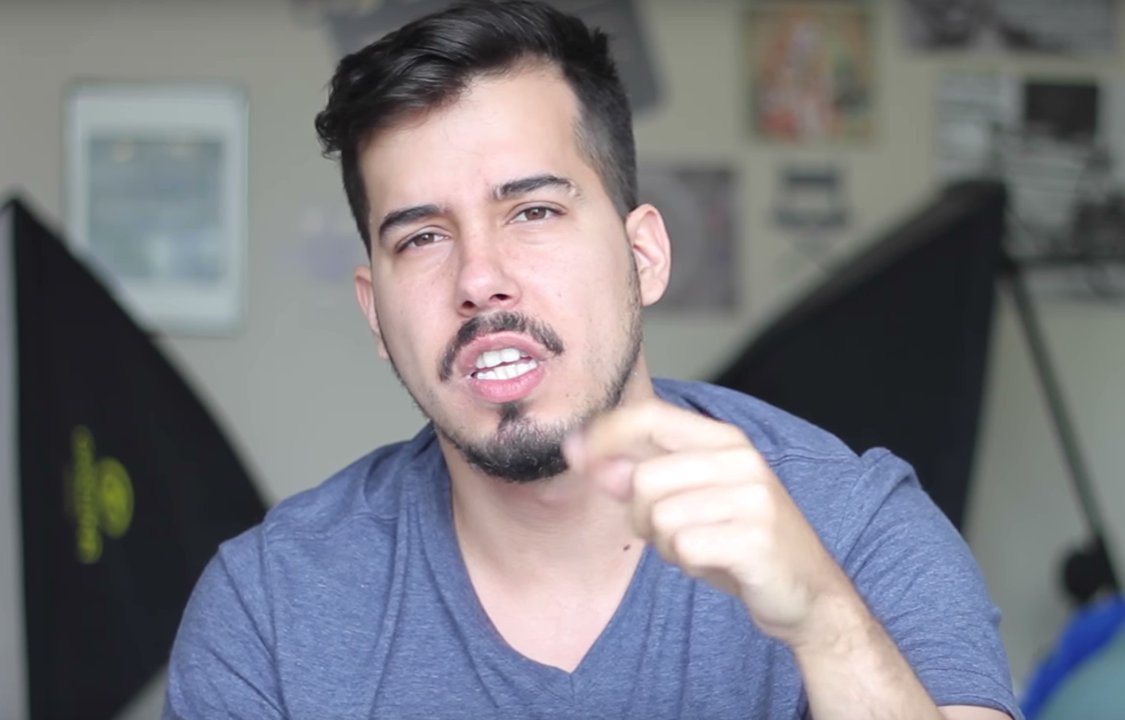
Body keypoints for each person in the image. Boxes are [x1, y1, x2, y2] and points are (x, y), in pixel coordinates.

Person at [164, 1, 1021, 718]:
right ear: (375, 314)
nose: (479, 279)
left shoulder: (852, 524)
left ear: (643, 256)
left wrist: (824, 623)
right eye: (421, 237)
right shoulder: (269, 606)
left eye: (532, 212)